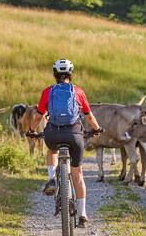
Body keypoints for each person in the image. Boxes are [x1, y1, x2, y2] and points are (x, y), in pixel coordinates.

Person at [27, 59, 102, 228]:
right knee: (78, 175)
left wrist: (32, 131)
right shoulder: (78, 91)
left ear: (55, 74)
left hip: (53, 134)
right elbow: (89, 116)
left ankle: (52, 178)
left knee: (52, 151)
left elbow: (39, 116)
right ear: (71, 74)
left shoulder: (48, 92)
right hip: (75, 135)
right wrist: (97, 129)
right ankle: (82, 215)